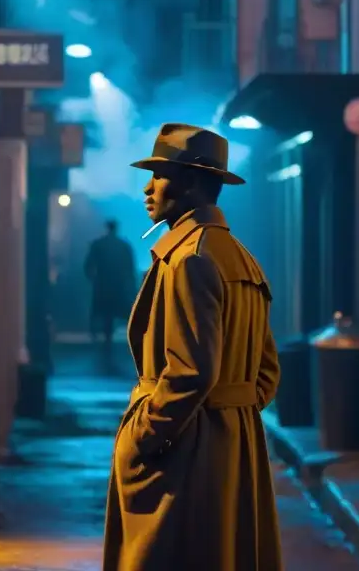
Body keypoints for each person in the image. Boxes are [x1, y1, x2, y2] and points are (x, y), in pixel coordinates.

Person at [102, 123, 283, 571]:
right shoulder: (239, 255)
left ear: (193, 182)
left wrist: (143, 438)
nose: (148, 187)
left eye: (160, 175)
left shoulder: (189, 258)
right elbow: (266, 372)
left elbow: (190, 372)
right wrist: (232, 413)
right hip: (232, 443)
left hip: (184, 449)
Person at [84, 218, 137, 367]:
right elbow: (129, 267)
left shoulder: (98, 244)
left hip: (103, 283)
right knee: (121, 312)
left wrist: (92, 279)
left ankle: (100, 338)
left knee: (104, 313)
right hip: (118, 284)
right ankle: (132, 339)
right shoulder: (123, 246)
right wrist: (131, 284)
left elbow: (88, 265)